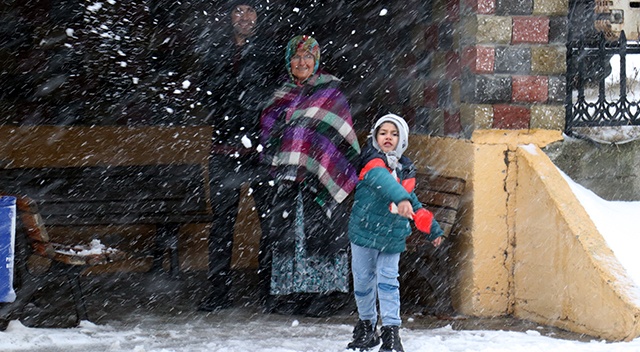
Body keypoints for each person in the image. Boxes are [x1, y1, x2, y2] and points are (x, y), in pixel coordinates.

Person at [259, 35, 361, 317]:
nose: (302, 62)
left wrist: (318, 163)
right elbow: (269, 133)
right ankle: (291, 294)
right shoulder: (280, 95)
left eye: (308, 57)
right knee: (288, 235)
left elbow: (341, 137)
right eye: (296, 57)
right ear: (288, 62)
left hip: (321, 179)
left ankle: (323, 296)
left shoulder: (331, 95)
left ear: (316, 61)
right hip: (288, 181)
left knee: (321, 235)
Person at [198, 0, 282, 312]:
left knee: (270, 223)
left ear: (258, 16)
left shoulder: (269, 51)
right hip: (223, 150)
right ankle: (218, 293)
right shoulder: (216, 49)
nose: (244, 17)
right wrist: (228, 99)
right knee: (221, 225)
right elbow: (207, 90)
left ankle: (268, 292)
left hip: (260, 152)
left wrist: (251, 100)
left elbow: (277, 95)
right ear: (229, 15)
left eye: (250, 10)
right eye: (238, 10)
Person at [346, 113, 445, 352]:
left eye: (394, 133)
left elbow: (413, 203)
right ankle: (367, 326)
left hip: (392, 236)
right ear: (375, 137)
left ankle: (391, 332)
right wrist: (399, 197)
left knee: (388, 282)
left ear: (402, 139)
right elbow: (384, 181)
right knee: (363, 281)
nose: (388, 137)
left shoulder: (405, 168)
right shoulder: (372, 161)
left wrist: (431, 228)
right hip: (364, 232)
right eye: (383, 133)